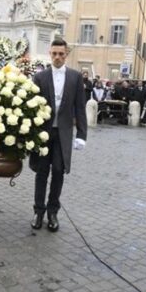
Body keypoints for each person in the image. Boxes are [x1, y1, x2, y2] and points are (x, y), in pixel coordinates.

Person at [29, 39, 87, 232]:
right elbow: (32, 107)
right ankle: (38, 211)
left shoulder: (75, 77)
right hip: (43, 134)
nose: (57, 57)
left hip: (63, 134)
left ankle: (53, 212)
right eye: (54, 54)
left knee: (58, 173)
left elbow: (80, 107)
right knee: (41, 173)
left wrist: (82, 134)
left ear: (66, 54)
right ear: (50, 53)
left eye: (61, 54)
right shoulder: (40, 77)